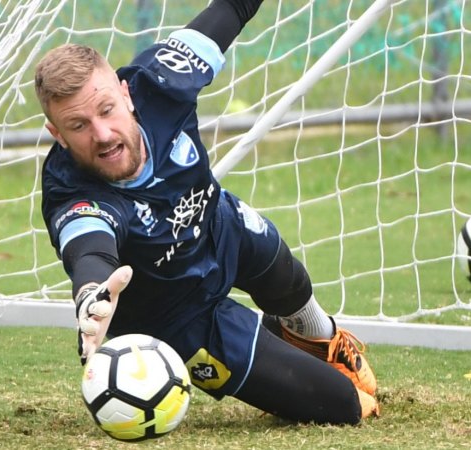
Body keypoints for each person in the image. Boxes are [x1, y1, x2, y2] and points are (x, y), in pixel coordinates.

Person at [34, 0, 379, 425]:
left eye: (106, 110)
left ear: (126, 92)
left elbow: (233, 8)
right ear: (57, 135)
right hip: (178, 315)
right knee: (345, 406)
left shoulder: (162, 80)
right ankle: (277, 352)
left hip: (221, 227)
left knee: (290, 281)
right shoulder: (69, 189)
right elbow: (89, 249)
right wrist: (91, 294)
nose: (102, 134)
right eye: (78, 125)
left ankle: (317, 336)